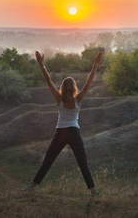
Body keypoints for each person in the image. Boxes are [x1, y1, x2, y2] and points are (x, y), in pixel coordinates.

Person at [23, 50, 103, 197]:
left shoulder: (58, 98)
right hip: (74, 133)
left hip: (61, 133)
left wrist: (41, 64)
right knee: (83, 163)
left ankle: (32, 186)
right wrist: (95, 64)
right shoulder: (78, 99)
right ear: (73, 88)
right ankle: (93, 191)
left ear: (63, 87)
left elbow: (48, 81)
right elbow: (89, 82)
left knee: (48, 161)